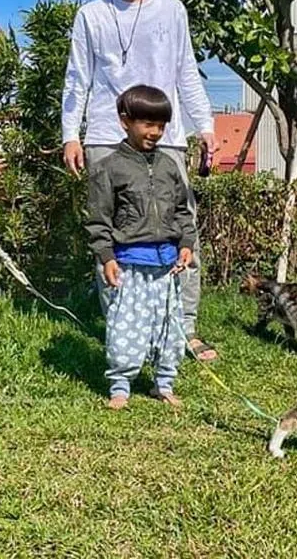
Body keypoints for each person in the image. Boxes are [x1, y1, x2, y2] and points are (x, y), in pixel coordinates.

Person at [61, 0, 219, 361]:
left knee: (180, 229)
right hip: (106, 137)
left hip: (166, 136)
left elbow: (186, 71)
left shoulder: (171, 10)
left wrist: (205, 126)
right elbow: (77, 78)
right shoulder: (91, 15)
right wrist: (71, 134)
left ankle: (183, 329)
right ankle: (122, 331)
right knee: (112, 234)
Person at [86, 85, 196, 409]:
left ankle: (164, 383)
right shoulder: (109, 168)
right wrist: (106, 257)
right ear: (125, 121)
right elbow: (98, 219)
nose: (155, 132)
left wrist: (186, 243)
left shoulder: (169, 166)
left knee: (169, 330)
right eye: (148, 124)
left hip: (167, 266)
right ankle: (120, 386)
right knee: (126, 329)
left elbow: (181, 211)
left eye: (161, 126)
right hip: (130, 265)